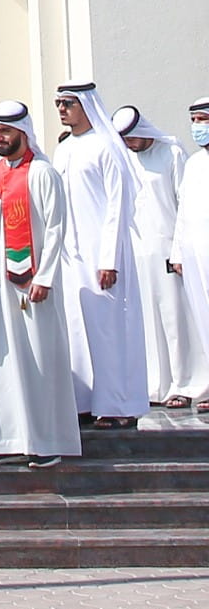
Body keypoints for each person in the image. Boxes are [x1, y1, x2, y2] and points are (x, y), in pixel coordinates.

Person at [0, 103, 81, 466]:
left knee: (39, 360)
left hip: (31, 283)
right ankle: (10, 442)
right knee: (2, 364)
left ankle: (47, 442)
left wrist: (45, 277)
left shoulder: (42, 173)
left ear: (23, 132)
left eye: (6, 131)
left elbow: (55, 229)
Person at [52, 82, 147, 429]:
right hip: (70, 256)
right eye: (59, 103)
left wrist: (109, 258)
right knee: (76, 328)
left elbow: (116, 208)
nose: (62, 110)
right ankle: (84, 400)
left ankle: (117, 404)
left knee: (109, 329)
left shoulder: (106, 147)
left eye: (69, 104)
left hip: (102, 255)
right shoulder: (63, 150)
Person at [115, 106, 209, 409]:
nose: (130, 143)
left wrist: (178, 249)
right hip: (140, 253)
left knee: (176, 321)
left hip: (170, 252)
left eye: (132, 137)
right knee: (149, 324)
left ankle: (185, 383)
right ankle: (157, 385)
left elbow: (184, 204)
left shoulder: (173, 154)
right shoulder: (126, 159)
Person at [177, 96, 209, 411]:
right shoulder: (193, 163)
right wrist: (178, 252)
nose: (198, 127)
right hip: (195, 251)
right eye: (195, 121)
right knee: (203, 318)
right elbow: (183, 211)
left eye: (204, 120)